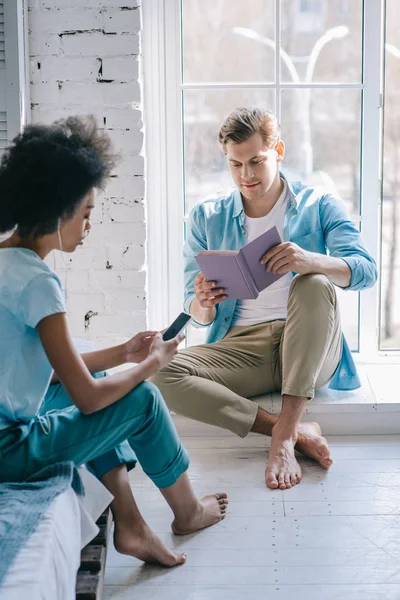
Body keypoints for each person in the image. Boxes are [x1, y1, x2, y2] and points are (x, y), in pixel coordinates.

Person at [0, 116, 228, 568]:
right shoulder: (39, 283)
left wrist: (124, 353)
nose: (89, 226)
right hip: (11, 452)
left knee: (106, 374)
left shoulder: (6, 262)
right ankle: (187, 511)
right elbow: (85, 399)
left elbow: (56, 367)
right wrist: (150, 364)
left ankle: (131, 523)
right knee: (141, 398)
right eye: (86, 213)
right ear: (59, 211)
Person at [151, 106, 377, 492]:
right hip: (242, 347)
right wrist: (202, 302)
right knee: (157, 372)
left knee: (314, 283)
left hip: (309, 347)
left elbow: (366, 270)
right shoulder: (207, 216)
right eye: (235, 164)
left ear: (279, 151)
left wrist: (311, 261)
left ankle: (283, 439)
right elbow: (199, 314)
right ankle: (289, 428)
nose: (247, 175)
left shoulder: (318, 204)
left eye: (256, 161)